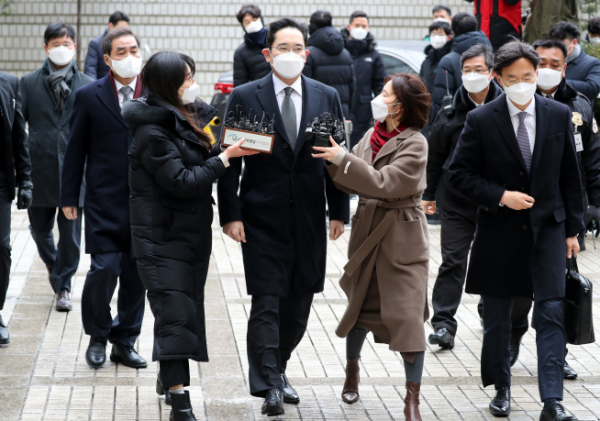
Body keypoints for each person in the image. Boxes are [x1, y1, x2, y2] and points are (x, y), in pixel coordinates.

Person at [217, 18, 349, 416]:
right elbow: (230, 161)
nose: (291, 55)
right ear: (267, 53)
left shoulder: (326, 97)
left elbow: (334, 159)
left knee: (298, 303)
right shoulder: (245, 96)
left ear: (307, 54)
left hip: (309, 215)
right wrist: (231, 214)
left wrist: (339, 210)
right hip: (261, 217)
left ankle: (279, 369)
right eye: (283, 48)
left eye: (297, 48)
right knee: (267, 302)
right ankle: (268, 384)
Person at [449, 40, 584, 420]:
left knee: (551, 313)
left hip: (549, 231)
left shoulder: (558, 114)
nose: (523, 83)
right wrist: (499, 195)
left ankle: (552, 400)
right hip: (499, 231)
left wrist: (573, 229)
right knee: (497, 318)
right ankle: (501, 388)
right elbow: (458, 175)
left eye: (529, 75)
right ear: (497, 78)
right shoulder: (481, 119)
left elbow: (570, 178)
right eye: (514, 78)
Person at [123, 51, 257, 421]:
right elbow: (183, 182)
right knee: (177, 313)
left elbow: (210, 147)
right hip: (160, 237)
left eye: (191, 77)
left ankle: (168, 377)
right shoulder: (152, 131)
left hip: (190, 235)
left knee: (179, 311)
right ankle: (181, 403)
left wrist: (237, 143)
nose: (191, 85)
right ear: (167, 85)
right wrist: (224, 158)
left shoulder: (191, 115)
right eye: (184, 79)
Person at [313, 73, 430, 421]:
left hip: (401, 236)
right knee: (360, 309)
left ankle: (413, 399)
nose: (379, 98)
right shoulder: (371, 134)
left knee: (409, 317)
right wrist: (329, 156)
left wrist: (343, 159)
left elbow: (385, 183)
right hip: (367, 231)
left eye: (385, 94)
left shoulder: (416, 142)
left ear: (401, 105)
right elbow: (347, 180)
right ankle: (352, 373)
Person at [507, 38, 600, 382]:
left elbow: (592, 160)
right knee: (517, 289)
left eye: (553, 63)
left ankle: (555, 355)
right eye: (539, 63)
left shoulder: (579, 105)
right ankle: (512, 338)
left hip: (561, 216)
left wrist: (591, 208)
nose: (545, 69)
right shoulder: (508, 105)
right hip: (516, 213)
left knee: (557, 292)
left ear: (565, 67)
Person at [61, 28, 147, 370]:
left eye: (134, 50)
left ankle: (124, 342)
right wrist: (70, 196)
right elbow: (75, 149)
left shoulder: (155, 92)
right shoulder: (89, 95)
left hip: (145, 203)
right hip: (103, 201)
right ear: (108, 59)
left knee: (135, 274)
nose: (130, 56)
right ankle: (98, 335)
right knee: (104, 269)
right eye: (121, 52)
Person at [423, 44, 502, 350]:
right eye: (466, 70)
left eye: (478, 70)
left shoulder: (508, 108)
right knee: (453, 260)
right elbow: (435, 156)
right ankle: (443, 324)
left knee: (492, 260)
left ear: (491, 73)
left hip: (496, 201)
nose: (472, 75)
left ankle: (489, 311)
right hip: (455, 201)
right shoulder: (449, 113)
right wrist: (428, 194)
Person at [21, 22, 92, 312]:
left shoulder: (87, 85)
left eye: (67, 44)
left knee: (72, 236)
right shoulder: (27, 83)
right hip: (39, 168)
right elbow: (17, 127)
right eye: (56, 44)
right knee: (39, 230)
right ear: (46, 47)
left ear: (75, 47)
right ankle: (54, 264)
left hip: (75, 173)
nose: (62, 49)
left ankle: (63, 286)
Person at [0, 62, 32, 346]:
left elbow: (18, 137)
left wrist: (26, 181)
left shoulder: (9, 82)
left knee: (2, 246)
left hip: (1, 182)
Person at [430, 13, 491, 123]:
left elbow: (440, 102)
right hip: (490, 120)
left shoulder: (448, 61)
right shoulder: (492, 56)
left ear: (453, 32)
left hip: (457, 125)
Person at [340, 10, 386, 149]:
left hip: (363, 113)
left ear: (368, 28)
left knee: (359, 151)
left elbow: (380, 84)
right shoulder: (340, 50)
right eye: (357, 25)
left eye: (364, 26)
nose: (360, 29)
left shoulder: (373, 54)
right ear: (349, 27)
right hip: (341, 108)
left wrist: (380, 113)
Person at [304, 10, 355, 121]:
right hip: (342, 112)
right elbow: (352, 88)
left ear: (312, 27)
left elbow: (304, 87)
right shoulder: (346, 54)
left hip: (316, 114)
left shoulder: (308, 54)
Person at [549, 21, 600, 103]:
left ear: (574, 43)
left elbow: (592, 89)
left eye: (562, 45)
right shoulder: (546, 62)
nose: (557, 49)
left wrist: (558, 82)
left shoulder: (592, 64)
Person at [84, 11, 130, 80]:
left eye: (125, 30)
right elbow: (90, 69)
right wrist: (95, 88)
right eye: (120, 29)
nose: (123, 33)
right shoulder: (96, 44)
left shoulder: (128, 44)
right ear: (111, 26)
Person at [233, 4, 271, 87]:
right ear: (243, 26)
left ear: (261, 19)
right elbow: (240, 84)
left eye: (254, 19)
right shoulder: (241, 52)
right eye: (247, 22)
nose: (252, 23)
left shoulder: (275, 41)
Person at [420, 20, 453, 94]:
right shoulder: (426, 61)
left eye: (440, 34)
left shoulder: (450, 60)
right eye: (434, 34)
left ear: (449, 37)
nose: (436, 37)